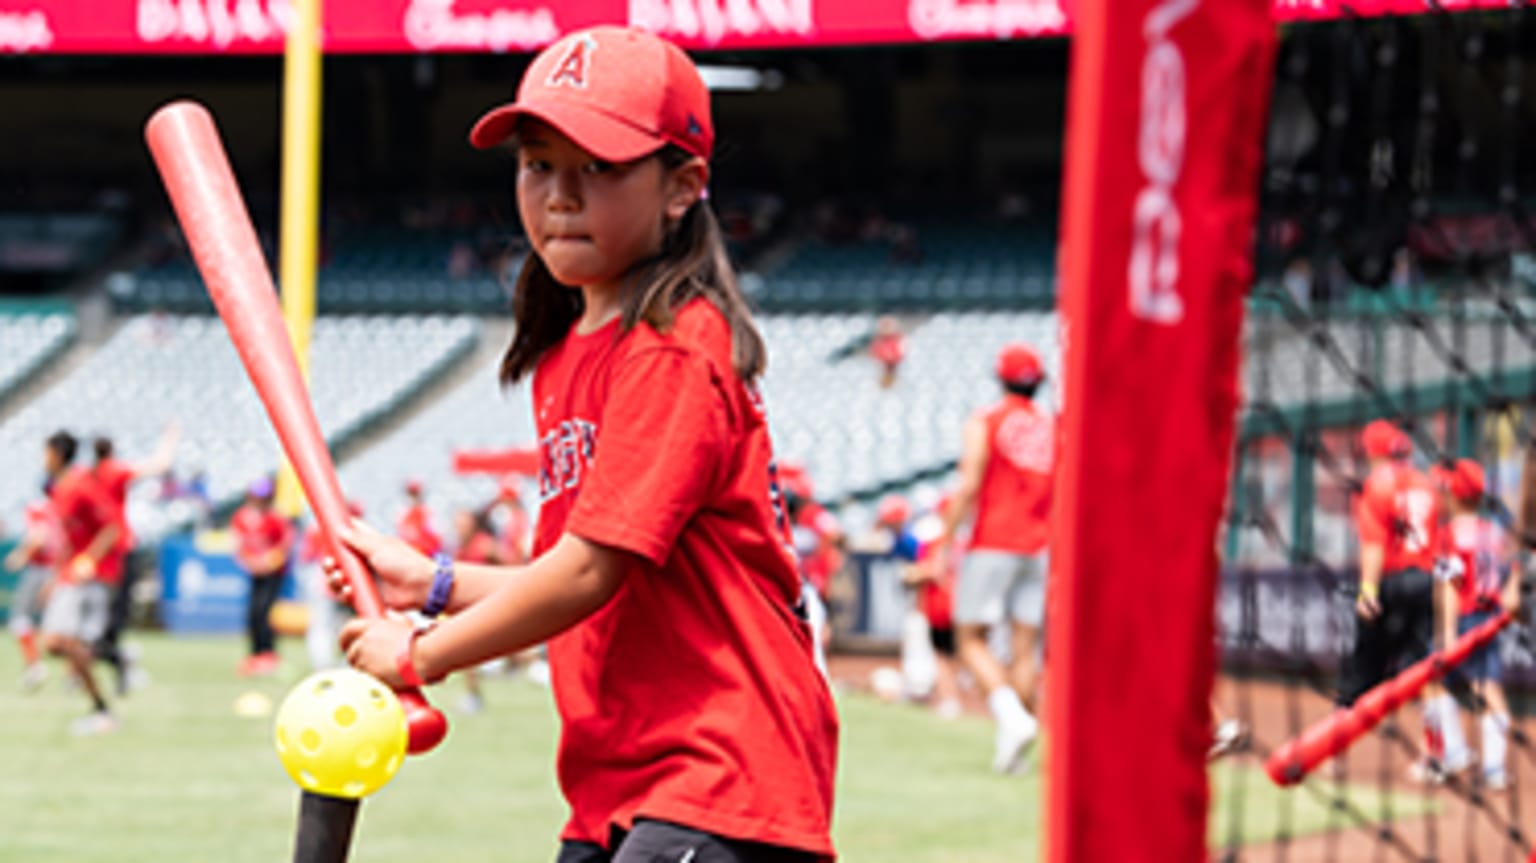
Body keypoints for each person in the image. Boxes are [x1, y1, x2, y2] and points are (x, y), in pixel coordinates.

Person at [330, 26, 836, 863]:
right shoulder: (568, 358)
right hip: (620, 786)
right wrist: (435, 581)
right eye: (538, 163)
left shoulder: (674, 346)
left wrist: (422, 652)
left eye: (597, 166)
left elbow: (591, 570)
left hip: (722, 771)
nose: (560, 195)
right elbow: (580, 585)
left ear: (683, 186)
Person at [928, 343, 1053, 774]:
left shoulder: (987, 419)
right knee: (1024, 647)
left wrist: (944, 541)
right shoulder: (1052, 426)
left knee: (968, 638)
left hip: (995, 538)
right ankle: (1014, 749)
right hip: (1040, 544)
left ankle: (1012, 718)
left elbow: (970, 481)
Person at [1342, 422, 1466, 777]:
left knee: (1364, 668)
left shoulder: (1377, 484)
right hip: (1428, 580)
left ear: (1373, 451)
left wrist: (1368, 590)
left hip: (1394, 581)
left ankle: (1333, 747)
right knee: (1425, 670)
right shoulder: (1426, 482)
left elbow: (1374, 545)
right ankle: (1439, 752)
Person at [1437, 458, 1520, 790]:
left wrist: (1446, 632)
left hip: (1465, 616)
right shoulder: (1493, 531)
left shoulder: (1449, 534)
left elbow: (1449, 587)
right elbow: (1510, 570)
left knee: (1435, 679)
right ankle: (1494, 767)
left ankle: (1457, 752)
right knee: (1489, 686)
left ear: (1455, 495)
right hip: (1490, 617)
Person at [36, 431, 121, 734]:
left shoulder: (81, 486)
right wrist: (53, 581)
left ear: (57, 455)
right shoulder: (60, 489)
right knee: (67, 646)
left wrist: (90, 560)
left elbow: (111, 528)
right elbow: (65, 544)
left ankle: (103, 705)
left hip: (89, 579)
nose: (43, 459)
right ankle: (112, 667)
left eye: (46, 453)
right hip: (69, 577)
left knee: (59, 642)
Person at [90, 423, 179, 693]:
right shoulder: (113, 471)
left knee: (96, 616)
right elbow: (159, 465)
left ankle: (104, 663)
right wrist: (171, 437)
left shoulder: (90, 475)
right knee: (113, 616)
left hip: (96, 552)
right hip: (116, 552)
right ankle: (118, 663)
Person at [230, 477, 295, 677]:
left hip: (273, 573)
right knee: (253, 614)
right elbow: (238, 545)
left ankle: (269, 655)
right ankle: (254, 655)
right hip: (254, 572)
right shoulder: (242, 517)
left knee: (264, 612)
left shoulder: (275, 518)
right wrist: (251, 563)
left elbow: (286, 542)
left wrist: (270, 561)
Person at [4, 497, 61, 692]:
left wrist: (21, 555)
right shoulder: (59, 506)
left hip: (41, 570)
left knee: (20, 619)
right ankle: (75, 674)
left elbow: (39, 536)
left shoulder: (37, 507)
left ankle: (34, 665)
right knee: (58, 626)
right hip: (59, 569)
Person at [396, 478, 444, 558]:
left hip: (427, 556)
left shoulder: (428, 512)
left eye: (416, 493)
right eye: (411, 494)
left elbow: (438, 539)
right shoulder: (403, 514)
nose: (413, 497)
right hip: (409, 555)